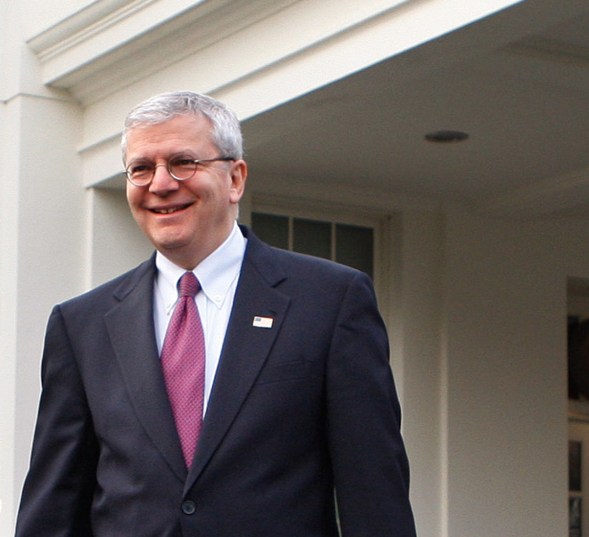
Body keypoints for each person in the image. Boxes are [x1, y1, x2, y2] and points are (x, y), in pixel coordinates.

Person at [16, 91, 417, 537]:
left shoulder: (329, 301)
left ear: (235, 179)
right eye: (141, 168)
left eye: (183, 162)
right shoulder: (81, 326)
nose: (160, 184)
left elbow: (374, 493)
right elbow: (54, 504)